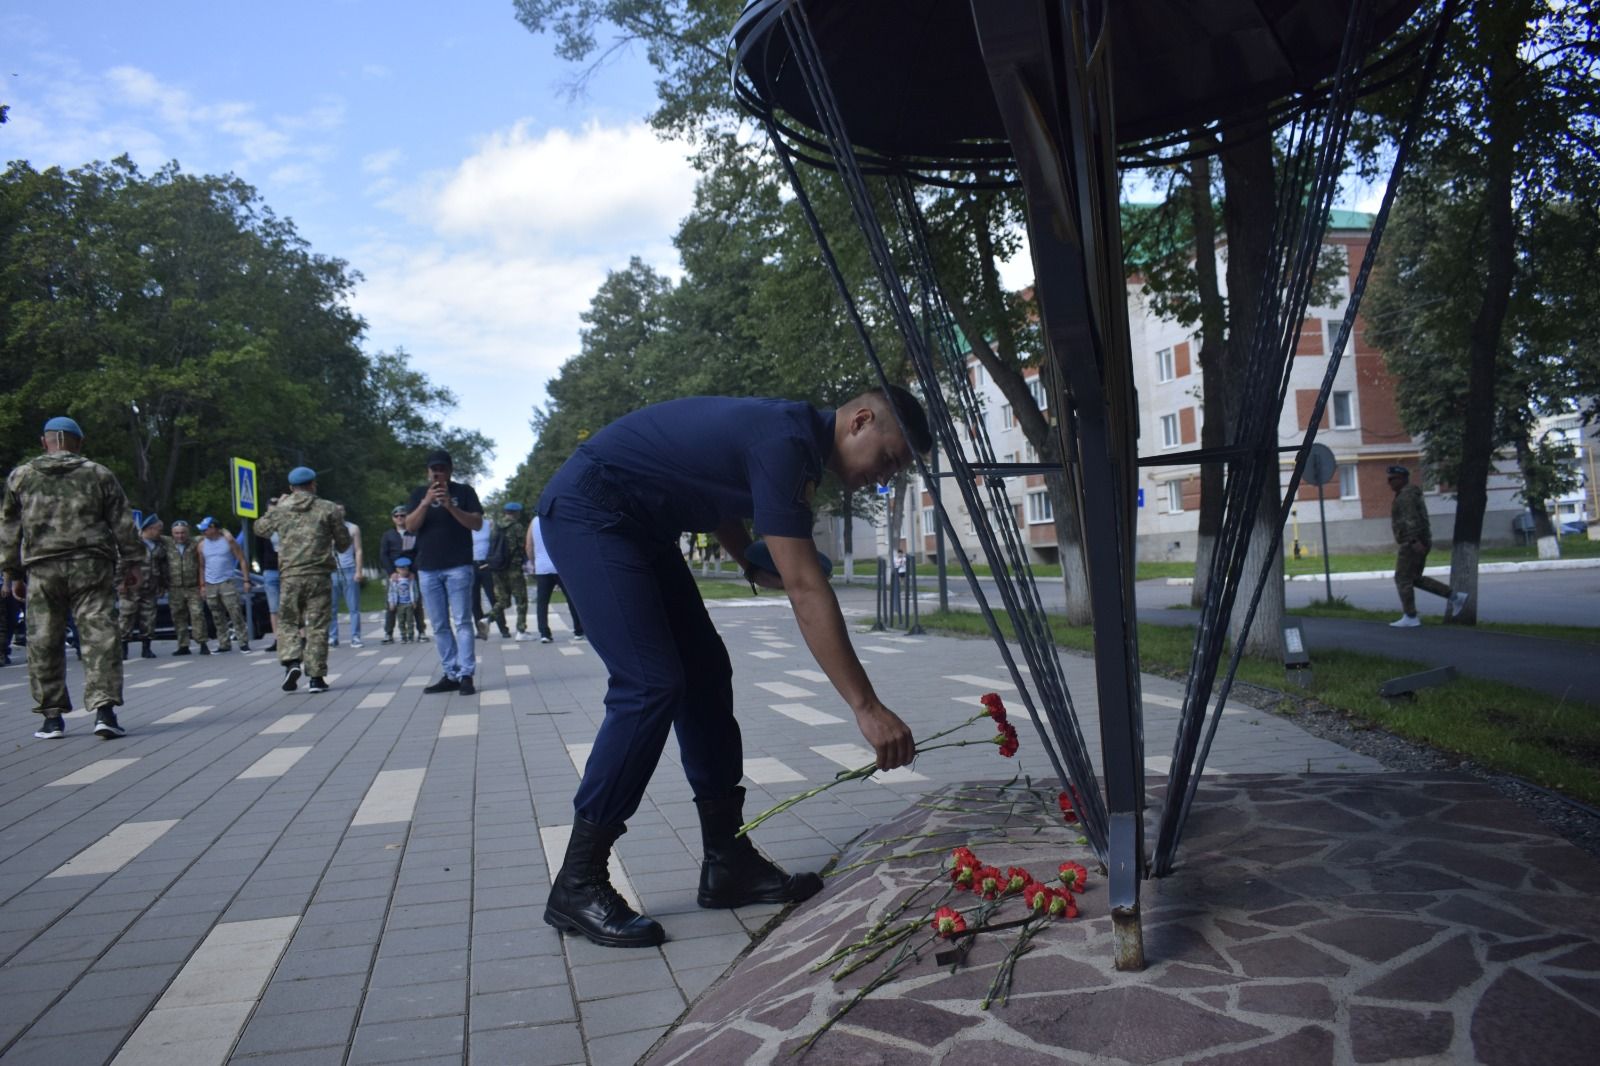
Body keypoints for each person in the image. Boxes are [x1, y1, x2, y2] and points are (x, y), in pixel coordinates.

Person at [538, 388, 930, 948]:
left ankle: (728, 862)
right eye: (888, 459)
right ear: (860, 421)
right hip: (591, 512)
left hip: (639, 526)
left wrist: (745, 555)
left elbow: (717, 490)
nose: (883, 477)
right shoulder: (787, 442)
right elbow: (804, 588)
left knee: (704, 674)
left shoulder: (794, 443)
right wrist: (866, 708)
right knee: (649, 684)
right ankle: (577, 882)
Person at [0, 416, 143, 739]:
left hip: (42, 568)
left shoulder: (20, 477)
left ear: (44, 441)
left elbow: (9, 528)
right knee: (99, 636)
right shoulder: (98, 474)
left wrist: (12, 572)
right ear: (79, 441)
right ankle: (104, 711)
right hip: (90, 566)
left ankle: (52, 718)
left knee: (43, 640)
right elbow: (122, 522)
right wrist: (133, 562)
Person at [255, 466, 352, 694]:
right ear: (313, 484)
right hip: (319, 576)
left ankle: (291, 663)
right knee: (317, 627)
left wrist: (277, 507)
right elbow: (344, 543)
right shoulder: (328, 508)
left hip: (290, 577)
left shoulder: (281, 509)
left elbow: (260, 529)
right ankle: (316, 678)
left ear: (291, 488)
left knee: (288, 621)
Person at [403, 448, 484, 696]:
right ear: (428, 472)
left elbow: (477, 523)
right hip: (428, 568)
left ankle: (466, 674)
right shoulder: (418, 494)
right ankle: (450, 673)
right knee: (439, 624)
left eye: (443, 469)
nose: (438, 474)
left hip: (458, 565)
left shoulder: (464, 492)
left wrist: (450, 506)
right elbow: (409, 526)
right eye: (434, 469)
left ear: (450, 470)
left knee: (462, 621)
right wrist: (426, 503)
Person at [1387, 465, 1468, 628]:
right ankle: (1455, 597)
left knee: (1402, 577)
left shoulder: (1406, 496)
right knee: (1414, 578)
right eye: (1389, 479)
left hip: (1412, 542)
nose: (1389, 483)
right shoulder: (1409, 493)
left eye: (1392, 479)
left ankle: (1410, 616)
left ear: (1402, 478)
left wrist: (1414, 541)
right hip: (1418, 540)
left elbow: (1411, 519)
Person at [527, 513, 584, 644]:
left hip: (542, 568)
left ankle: (544, 633)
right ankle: (578, 630)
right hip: (561, 567)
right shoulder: (560, 518)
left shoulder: (534, 522)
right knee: (571, 599)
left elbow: (529, 546)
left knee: (542, 602)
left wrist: (534, 563)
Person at [119, 513, 169, 659]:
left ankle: (146, 648)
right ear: (150, 529)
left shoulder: (160, 546)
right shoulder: (133, 544)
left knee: (149, 618)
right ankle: (123, 649)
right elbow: (121, 565)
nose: (160, 533)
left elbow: (162, 567)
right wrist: (120, 583)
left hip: (150, 588)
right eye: (159, 530)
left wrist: (163, 585)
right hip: (131, 588)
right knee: (126, 617)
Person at [197, 516, 251, 652]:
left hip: (227, 581)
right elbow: (201, 566)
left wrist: (246, 580)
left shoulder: (228, 541)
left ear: (214, 528)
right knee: (216, 615)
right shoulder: (202, 545)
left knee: (235, 612)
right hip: (210, 583)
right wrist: (202, 585)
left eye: (206, 529)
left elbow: (242, 559)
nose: (203, 532)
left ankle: (243, 642)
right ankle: (223, 643)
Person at [379, 504, 426, 643]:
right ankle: (388, 633)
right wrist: (391, 572)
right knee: (391, 603)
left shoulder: (414, 533)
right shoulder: (388, 535)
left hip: (411, 574)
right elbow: (383, 555)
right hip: (394, 576)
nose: (400, 518)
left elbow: (419, 553)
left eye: (403, 515)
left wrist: (413, 571)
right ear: (393, 518)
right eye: (396, 516)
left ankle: (421, 631)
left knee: (415, 602)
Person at [490, 501, 530, 639]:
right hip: (514, 569)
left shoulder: (495, 526)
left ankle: (486, 620)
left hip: (497, 567)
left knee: (502, 601)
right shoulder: (517, 527)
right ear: (516, 513)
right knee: (521, 600)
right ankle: (521, 631)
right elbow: (521, 546)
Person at [164, 519, 205, 655]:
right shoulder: (167, 543)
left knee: (197, 614)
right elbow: (147, 534)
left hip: (192, 587)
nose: (180, 536)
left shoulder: (196, 542)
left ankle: (202, 643)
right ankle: (183, 645)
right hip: (175, 588)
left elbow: (214, 533)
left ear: (188, 532)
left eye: (183, 533)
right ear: (172, 533)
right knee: (178, 616)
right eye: (176, 533)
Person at [327, 510, 363, 648]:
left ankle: (355, 637)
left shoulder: (353, 528)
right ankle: (333, 637)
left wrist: (358, 571)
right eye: (336, 510)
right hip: (332, 571)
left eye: (341, 510)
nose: (339, 513)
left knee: (353, 607)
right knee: (331, 607)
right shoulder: (327, 528)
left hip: (349, 569)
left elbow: (358, 550)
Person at [256, 526, 281, 653]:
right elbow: (259, 550)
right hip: (270, 570)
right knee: (273, 608)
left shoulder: (288, 524)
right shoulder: (264, 529)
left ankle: (301, 637)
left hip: (287, 568)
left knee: (293, 605)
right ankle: (277, 639)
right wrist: (263, 568)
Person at [471, 507, 493, 641]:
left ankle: (503, 627)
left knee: (493, 597)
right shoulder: (465, 526)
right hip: (471, 564)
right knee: (474, 600)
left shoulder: (488, 525)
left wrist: (490, 561)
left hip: (486, 563)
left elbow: (494, 544)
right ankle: (481, 630)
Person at [387, 557, 420, 642]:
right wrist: (391, 602)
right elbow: (391, 591)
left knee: (410, 621)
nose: (404, 571)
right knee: (401, 621)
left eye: (406, 569)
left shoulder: (411, 580)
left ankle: (411, 636)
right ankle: (403, 636)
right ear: (397, 569)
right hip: (399, 604)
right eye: (402, 569)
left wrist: (414, 600)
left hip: (409, 603)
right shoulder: (394, 580)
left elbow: (415, 591)